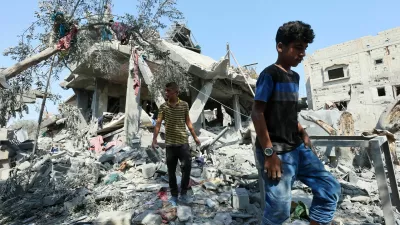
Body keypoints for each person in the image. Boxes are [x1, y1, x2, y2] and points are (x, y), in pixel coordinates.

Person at [251, 21, 341, 225]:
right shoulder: (269, 75)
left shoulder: (295, 77)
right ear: (280, 47)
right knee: (279, 209)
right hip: (276, 152)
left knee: (329, 189)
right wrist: (269, 153)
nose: (302, 53)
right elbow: (257, 113)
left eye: (305, 48)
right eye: (298, 47)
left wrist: (303, 132)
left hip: (297, 147)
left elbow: (288, 112)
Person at [152, 82, 201, 206]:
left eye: (168, 91)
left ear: (175, 92)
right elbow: (158, 123)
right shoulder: (163, 107)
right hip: (170, 145)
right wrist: (154, 139)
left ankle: (183, 193)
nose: (166, 93)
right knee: (171, 171)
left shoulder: (184, 105)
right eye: (166, 90)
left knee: (187, 168)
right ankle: (174, 196)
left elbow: (188, 122)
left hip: (183, 143)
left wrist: (195, 137)